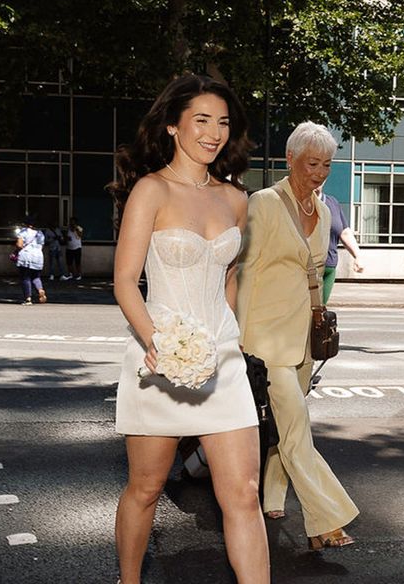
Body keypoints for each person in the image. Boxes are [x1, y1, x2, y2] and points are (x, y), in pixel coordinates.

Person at [111, 74, 268, 584]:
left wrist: (233, 338)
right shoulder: (150, 190)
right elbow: (124, 282)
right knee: (146, 488)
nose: (213, 132)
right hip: (158, 355)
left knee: (244, 493)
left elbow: (228, 277)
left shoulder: (236, 199)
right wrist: (156, 343)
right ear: (174, 126)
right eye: (201, 120)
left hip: (222, 358)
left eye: (222, 122)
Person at [236, 121, 359, 550]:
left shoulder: (324, 211)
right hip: (266, 336)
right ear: (290, 159)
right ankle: (327, 519)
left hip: (303, 334)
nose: (320, 172)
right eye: (312, 163)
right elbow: (245, 270)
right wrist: (237, 333)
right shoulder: (264, 203)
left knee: (287, 427)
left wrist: (318, 317)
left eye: (327, 164)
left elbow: (314, 273)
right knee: (296, 429)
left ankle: (273, 493)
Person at [319, 190, 363, 305]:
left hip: (328, 267)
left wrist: (357, 256)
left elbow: (344, 232)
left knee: (319, 311)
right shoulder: (298, 202)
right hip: (303, 268)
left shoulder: (332, 203)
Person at [14, 219, 46, 304]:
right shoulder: (40, 233)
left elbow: (19, 245)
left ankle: (28, 298)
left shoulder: (23, 232)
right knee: (36, 277)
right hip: (38, 256)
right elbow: (41, 246)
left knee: (25, 277)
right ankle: (40, 290)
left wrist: (16, 248)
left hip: (26, 256)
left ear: (27, 224)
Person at [65, 216, 83, 280]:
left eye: (73, 222)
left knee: (77, 262)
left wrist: (76, 229)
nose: (71, 223)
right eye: (71, 222)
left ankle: (79, 275)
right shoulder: (68, 229)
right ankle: (71, 274)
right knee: (69, 262)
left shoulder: (79, 228)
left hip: (77, 247)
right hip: (69, 247)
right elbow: (66, 237)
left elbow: (80, 235)